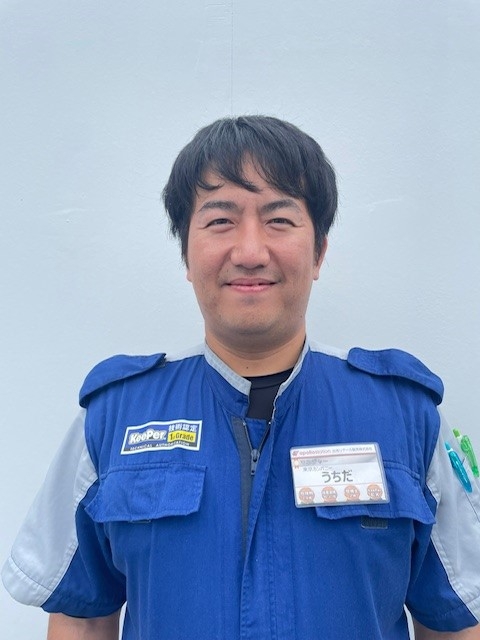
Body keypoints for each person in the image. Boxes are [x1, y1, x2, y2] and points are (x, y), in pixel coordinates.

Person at [2, 115, 480, 640]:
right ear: (186, 253)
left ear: (318, 251)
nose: (250, 253)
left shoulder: (406, 417)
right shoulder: (114, 417)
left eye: (279, 219)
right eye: (220, 221)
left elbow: (453, 624)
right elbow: (83, 617)